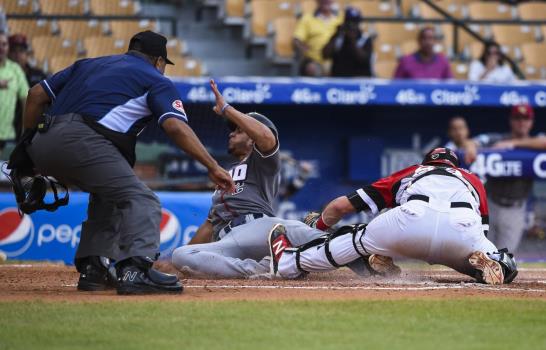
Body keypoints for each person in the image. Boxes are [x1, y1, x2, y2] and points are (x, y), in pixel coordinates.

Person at [22, 30, 234, 295]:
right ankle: (136, 270)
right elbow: (175, 127)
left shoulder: (88, 64)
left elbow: (35, 95)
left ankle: (94, 268)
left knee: (108, 195)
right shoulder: (155, 79)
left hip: (42, 140)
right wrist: (212, 165)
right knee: (142, 200)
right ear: (158, 61)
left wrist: (24, 150)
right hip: (82, 140)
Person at [268, 147, 518, 285]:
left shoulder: (414, 172)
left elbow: (340, 208)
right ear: (455, 166)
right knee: (486, 253)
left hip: (411, 221)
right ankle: (501, 267)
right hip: (463, 229)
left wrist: (319, 225)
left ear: (426, 163)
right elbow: (481, 233)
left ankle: (291, 263)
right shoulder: (473, 179)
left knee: (356, 238)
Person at [171, 80, 324, 278]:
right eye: (232, 130)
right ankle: (262, 268)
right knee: (180, 255)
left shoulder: (261, 162)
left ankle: (364, 250)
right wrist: (178, 265)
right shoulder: (223, 175)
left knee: (307, 233)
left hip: (260, 229)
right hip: (227, 242)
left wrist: (227, 108)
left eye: (238, 130)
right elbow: (209, 226)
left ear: (252, 138)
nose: (232, 134)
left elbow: (267, 137)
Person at [463, 104, 546, 252]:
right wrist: (470, 146)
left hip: (515, 209)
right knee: (480, 253)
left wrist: (513, 144)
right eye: (517, 118)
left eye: (525, 118)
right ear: (511, 120)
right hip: (490, 204)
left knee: (504, 257)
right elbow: (473, 141)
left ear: (531, 121)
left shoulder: (535, 141)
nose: (521, 122)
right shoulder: (499, 139)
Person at [8, 34, 47, 142]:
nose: (17, 55)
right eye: (13, 51)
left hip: (33, 130)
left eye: (21, 51)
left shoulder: (39, 75)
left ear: (27, 54)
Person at [293, 0, 343, 77]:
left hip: (337, 61)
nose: (326, 1)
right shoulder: (307, 18)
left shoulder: (341, 18)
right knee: (312, 68)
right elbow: (297, 40)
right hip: (315, 60)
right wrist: (303, 50)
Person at [322, 6, 373, 77]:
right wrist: (337, 34)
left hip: (360, 80)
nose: (351, 25)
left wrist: (352, 41)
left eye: (354, 22)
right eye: (349, 21)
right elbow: (325, 55)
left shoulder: (365, 38)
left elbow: (364, 60)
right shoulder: (339, 37)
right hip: (340, 81)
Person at [0, 32, 29, 155]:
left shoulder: (15, 70)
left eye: (4, 44)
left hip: (8, 136)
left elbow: (26, 99)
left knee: (5, 173)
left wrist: (25, 132)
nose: (1, 47)